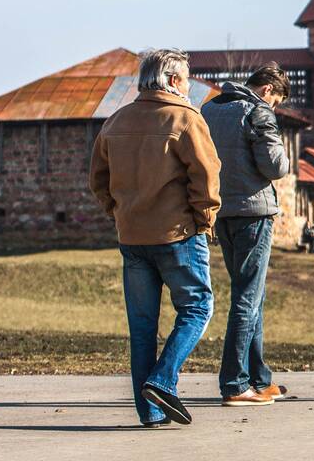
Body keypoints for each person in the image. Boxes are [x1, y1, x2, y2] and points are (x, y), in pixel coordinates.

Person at [89, 48, 220, 427]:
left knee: (142, 328)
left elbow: (97, 179)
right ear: (175, 80)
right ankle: (163, 381)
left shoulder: (116, 120)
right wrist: (205, 221)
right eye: (187, 79)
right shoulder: (185, 118)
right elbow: (207, 178)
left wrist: (118, 213)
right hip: (178, 234)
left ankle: (150, 412)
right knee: (197, 308)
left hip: (132, 238)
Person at [202, 64, 291, 407]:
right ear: (267, 89)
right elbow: (275, 166)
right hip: (254, 213)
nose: (276, 108)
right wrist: (282, 152)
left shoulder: (209, 109)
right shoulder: (258, 111)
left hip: (222, 211)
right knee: (246, 298)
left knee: (252, 295)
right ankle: (235, 383)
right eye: (278, 100)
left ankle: (259, 378)